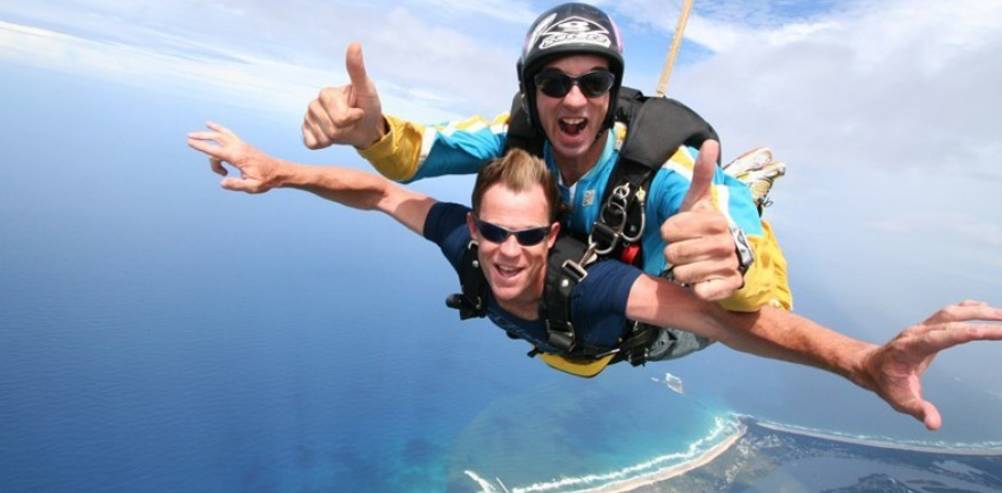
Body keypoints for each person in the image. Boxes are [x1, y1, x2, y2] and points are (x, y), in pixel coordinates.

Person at [187, 121, 1002, 431]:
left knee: (707, 274)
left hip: (650, 334)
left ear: (552, 237)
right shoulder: (463, 242)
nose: (507, 251)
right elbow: (379, 192)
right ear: (474, 226)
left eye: (528, 235)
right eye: (493, 232)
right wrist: (279, 171)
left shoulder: (594, 285)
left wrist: (862, 362)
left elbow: (727, 324)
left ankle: (743, 191)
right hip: (575, 343)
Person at [298, 3, 791, 360]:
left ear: (611, 94)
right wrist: (373, 135)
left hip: (656, 317)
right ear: (530, 93)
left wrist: (737, 263)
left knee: (716, 296)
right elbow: (424, 152)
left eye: (594, 83)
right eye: (553, 83)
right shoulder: (518, 137)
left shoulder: (665, 168)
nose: (574, 100)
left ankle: (744, 184)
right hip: (577, 310)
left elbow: (768, 307)